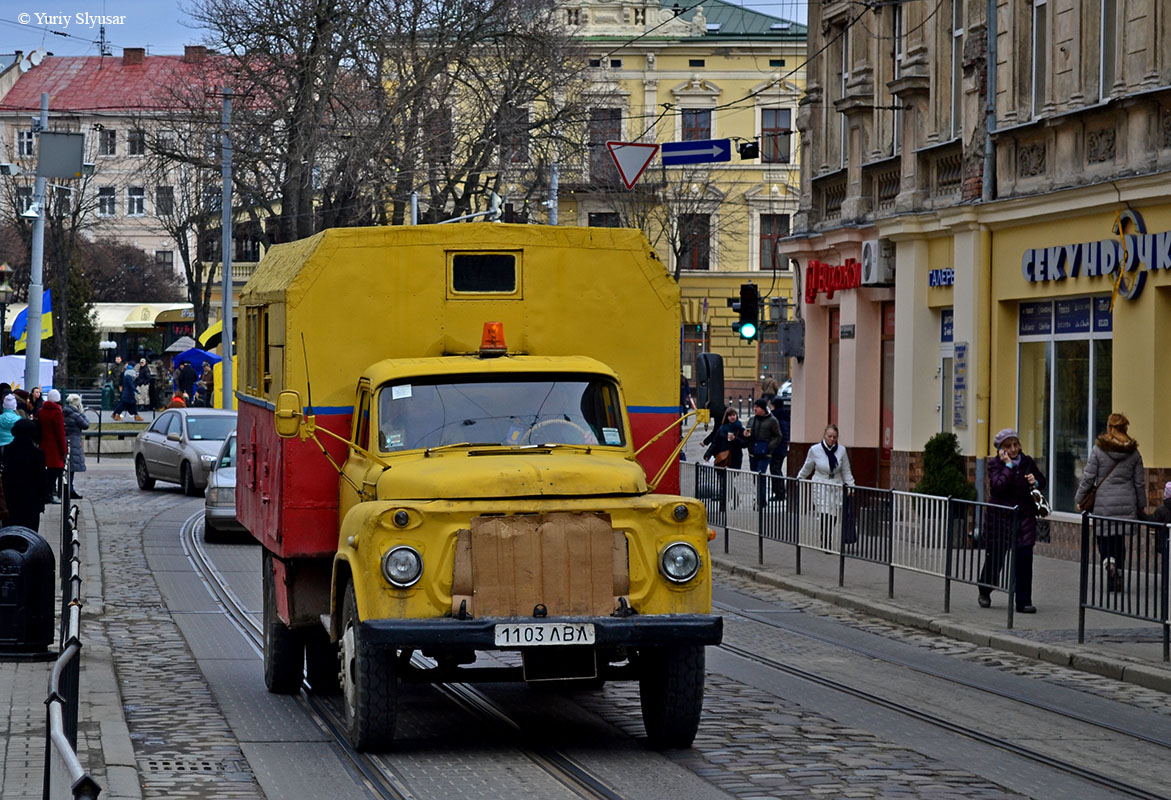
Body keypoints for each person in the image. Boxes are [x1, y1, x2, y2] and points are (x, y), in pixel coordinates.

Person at [1075, 412, 1146, 592]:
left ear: (1109, 427)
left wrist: (1080, 499)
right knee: (1119, 539)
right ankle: (1119, 572)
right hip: (1126, 501)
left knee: (1103, 537)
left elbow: (1088, 478)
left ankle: (1109, 563)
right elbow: (1139, 483)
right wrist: (1141, 505)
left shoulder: (1099, 449)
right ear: (1125, 428)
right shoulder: (1134, 453)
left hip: (1103, 504)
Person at [979, 428, 1047, 612]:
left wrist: (1036, 481)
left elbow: (1042, 481)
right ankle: (984, 590)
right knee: (996, 559)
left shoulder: (1027, 462)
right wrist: (1008, 466)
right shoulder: (995, 465)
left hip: (1024, 517)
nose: (1013, 449)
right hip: (1000, 518)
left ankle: (1023, 602)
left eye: (1015, 444)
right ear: (1001, 449)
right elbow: (998, 487)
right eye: (1008, 446)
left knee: (1024, 560)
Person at [797, 423, 855, 547]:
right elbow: (808, 466)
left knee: (834, 512)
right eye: (829, 436)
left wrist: (850, 484)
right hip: (821, 482)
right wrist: (800, 477)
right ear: (824, 436)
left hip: (836, 483)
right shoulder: (815, 450)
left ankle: (828, 532)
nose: (832, 439)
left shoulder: (841, 450)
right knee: (825, 511)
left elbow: (846, 469)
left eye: (834, 437)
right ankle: (826, 537)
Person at [2, 419, 46, 531]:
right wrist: (41, 503)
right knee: (30, 534)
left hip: (11, 498)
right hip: (31, 501)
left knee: (10, 533)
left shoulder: (6, 450)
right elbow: (41, 481)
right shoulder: (38, 454)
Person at [745, 398, 783, 504]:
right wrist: (746, 435)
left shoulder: (772, 420)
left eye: (757, 407)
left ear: (763, 409)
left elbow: (778, 436)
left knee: (760, 475)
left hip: (765, 454)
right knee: (755, 477)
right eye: (754, 407)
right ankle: (758, 497)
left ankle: (761, 500)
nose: (755, 409)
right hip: (752, 453)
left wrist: (769, 447)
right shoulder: (752, 419)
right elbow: (748, 432)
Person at [38, 388, 66, 504]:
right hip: (54, 447)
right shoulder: (57, 413)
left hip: (44, 444)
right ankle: (49, 494)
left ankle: (46, 493)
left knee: (46, 473)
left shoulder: (41, 411)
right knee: (53, 473)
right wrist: (63, 449)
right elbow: (60, 433)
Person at [62, 394, 88, 499]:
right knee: (71, 468)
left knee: (66, 467)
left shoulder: (63, 412)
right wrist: (82, 413)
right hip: (74, 441)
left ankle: (64, 489)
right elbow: (86, 424)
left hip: (64, 440)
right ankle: (70, 490)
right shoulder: (76, 415)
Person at [768, 395, 791, 499]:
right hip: (782, 447)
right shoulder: (786, 416)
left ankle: (779, 492)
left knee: (775, 469)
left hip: (777, 448)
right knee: (777, 469)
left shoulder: (775, 417)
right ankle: (779, 491)